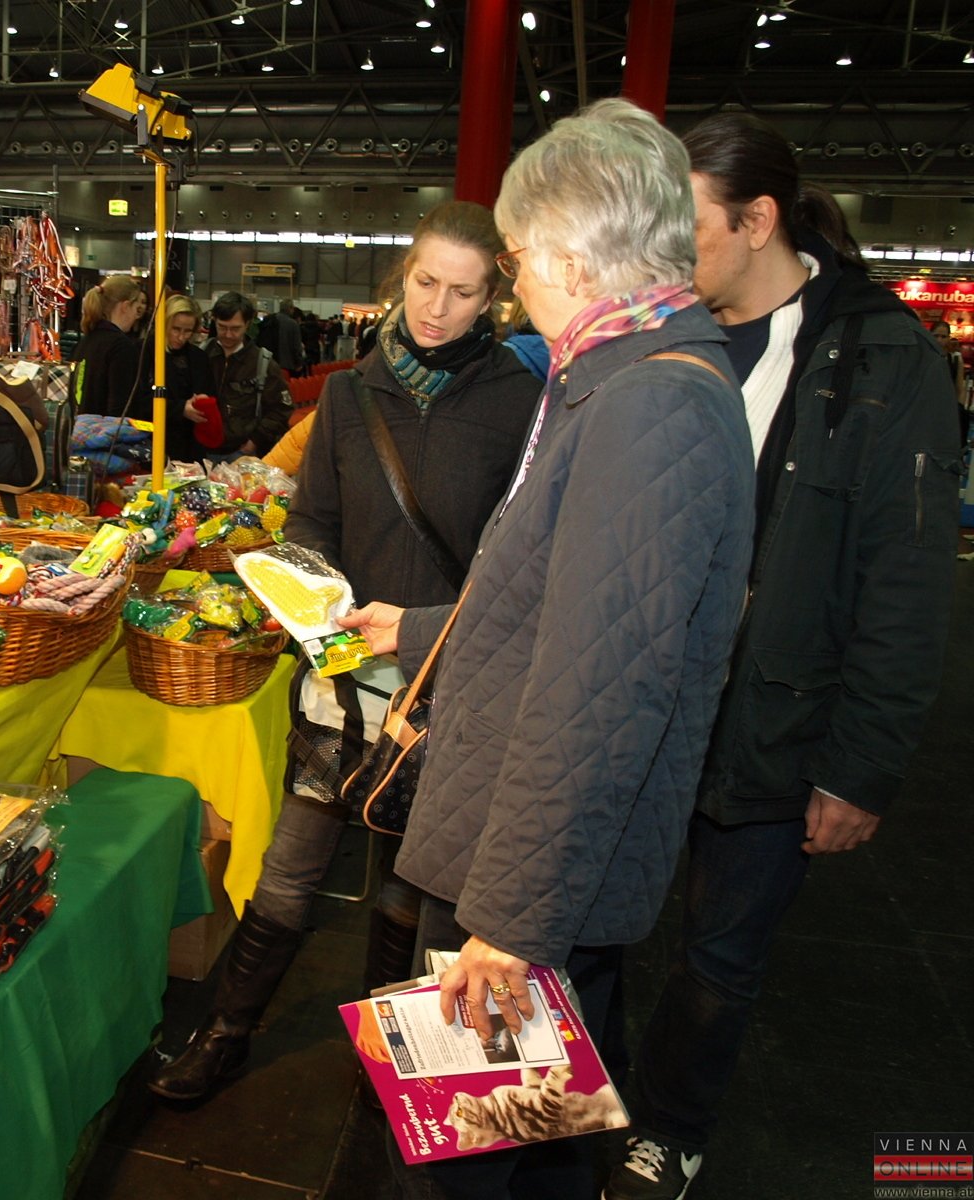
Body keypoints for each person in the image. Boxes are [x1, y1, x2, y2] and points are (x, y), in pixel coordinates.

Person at [339, 98, 757, 1199]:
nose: (517, 285)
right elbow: (566, 610)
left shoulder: (649, 403)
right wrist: (417, 628)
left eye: (519, 261)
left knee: (471, 1164)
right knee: (528, 1150)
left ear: (572, 256)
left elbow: (601, 692)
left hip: (520, 873)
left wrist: (511, 922)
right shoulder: (623, 374)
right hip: (525, 855)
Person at [605, 112, 960, 1200]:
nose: (666, 253)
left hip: (776, 715)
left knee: (720, 955)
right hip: (646, 701)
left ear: (757, 221)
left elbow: (904, 586)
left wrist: (861, 769)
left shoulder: (882, 357)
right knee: (596, 921)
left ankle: (670, 1127)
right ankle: (582, 1105)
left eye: (688, 227)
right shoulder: (665, 336)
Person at [148, 200, 542, 1104]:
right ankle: (225, 1034)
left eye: (462, 292)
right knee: (293, 861)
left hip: (450, 674)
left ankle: (391, 1057)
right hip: (345, 672)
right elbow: (313, 519)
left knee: (412, 876)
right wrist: (316, 604)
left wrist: (431, 626)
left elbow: (519, 556)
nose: (437, 307)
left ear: (493, 299)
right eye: (425, 282)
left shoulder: (518, 404)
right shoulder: (353, 393)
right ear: (402, 276)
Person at [203, 292, 293, 459]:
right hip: (201, 449)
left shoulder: (263, 364)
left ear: (247, 324)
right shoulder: (202, 354)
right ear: (214, 321)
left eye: (235, 329)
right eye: (222, 327)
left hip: (242, 452)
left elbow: (280, 410)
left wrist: (255, 441)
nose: (228, 334)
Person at [127, 293, 214, 461]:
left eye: (188, 331)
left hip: (189, 447)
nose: (181, 337)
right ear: (164, 324)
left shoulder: (199, 357)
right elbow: (136, 401)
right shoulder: (142, 352)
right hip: (149, 444)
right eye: (176, 329)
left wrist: (203, 403)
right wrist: (180, 408)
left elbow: (210, 393)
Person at [70, 274, 145, 418]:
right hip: (107, 429)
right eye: (137, 309)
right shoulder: (121, 347)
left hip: (81, 427)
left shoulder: (86, 341)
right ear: (125, 306)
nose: (136, 316)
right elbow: (120, 406)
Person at [931, 320, 969, 443]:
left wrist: (958, 409)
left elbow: (959, 388)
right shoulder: (923, 358)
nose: (939, 340)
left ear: (948, 338)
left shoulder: (955, 359)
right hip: (928, 407)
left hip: (948, 408)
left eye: (943, 336)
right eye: (936, 336)